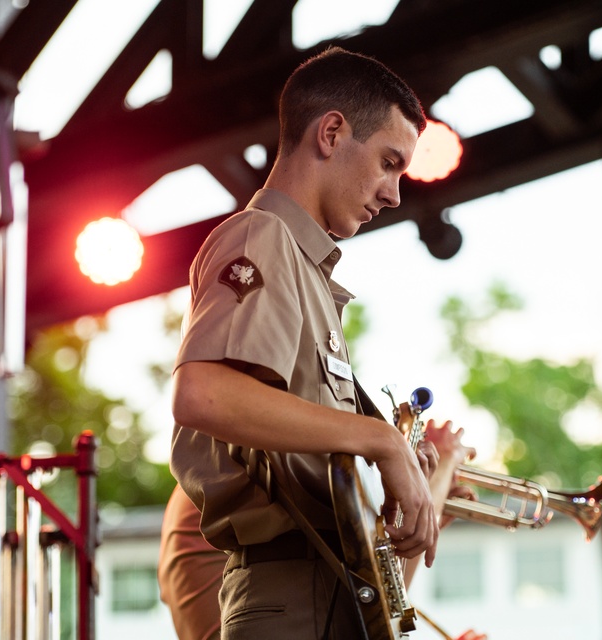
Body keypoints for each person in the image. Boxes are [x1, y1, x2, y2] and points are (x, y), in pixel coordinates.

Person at [167, 46, 467, 639]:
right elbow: (200, 394)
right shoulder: (263, 235)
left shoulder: (303, 267)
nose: (394, 195)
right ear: (331, 132)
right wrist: (381, 440)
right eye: (388, 162)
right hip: (288, 598)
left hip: (325, 594)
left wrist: (408, 467)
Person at [159, 421, 485, 640]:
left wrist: (425, 514)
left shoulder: (216, 485)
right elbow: (379, 594)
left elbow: (382, 593)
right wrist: (437, 477)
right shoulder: (264, 464)